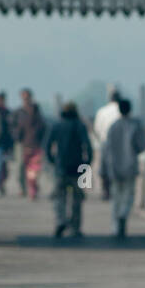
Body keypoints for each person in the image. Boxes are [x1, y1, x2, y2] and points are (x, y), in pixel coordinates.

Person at [100, 99, 145, 241]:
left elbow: (106, 149)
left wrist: (103, 169)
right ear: (130, 109)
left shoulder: (113, 126)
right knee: (128, 196)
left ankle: (115, 227)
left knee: (116, 198)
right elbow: (141, 146)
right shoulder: (135, 125)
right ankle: (123, 215)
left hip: (114, 168)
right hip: (130, 166)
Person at [47, 102, 92, 240]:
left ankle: (60, 221)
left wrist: (52, 160)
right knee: (77, 199)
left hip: (61, 166)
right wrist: (87, 162)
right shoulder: (80, 125)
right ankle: (75, 227)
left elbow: (48, 145)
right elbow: (88, 146)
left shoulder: (57, 125)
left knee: (60, 197)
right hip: (77, 167)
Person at [13, 88, 47, 199]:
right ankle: (24, 188)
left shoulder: (37, 113)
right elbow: (14, 127)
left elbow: (43, 129)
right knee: (21, 167)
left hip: (35, 144)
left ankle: (32, 188)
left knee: (34, 169)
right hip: (22, 144)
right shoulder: (19, 112)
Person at [93, 86, 122, 199]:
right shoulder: (121, 110)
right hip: (119, 143)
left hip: (105, 142)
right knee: (118, 167)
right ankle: (118, 190)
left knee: (105, 168)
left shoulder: (102, 111)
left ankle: (106, 191)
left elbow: (97, 129)